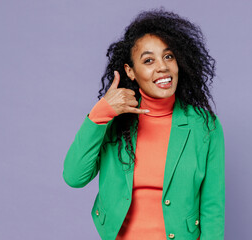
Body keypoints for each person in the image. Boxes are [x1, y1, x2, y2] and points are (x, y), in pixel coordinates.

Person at [63, 8, 225, 240]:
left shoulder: (205, 126)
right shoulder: (112, 119)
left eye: (168, 56)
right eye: (149, 60)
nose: (162, 67)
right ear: (130, 71)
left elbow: (213, 206)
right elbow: (74, 177)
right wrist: (99, 114)